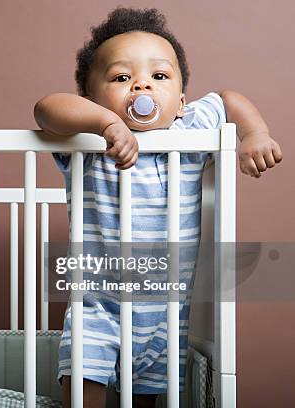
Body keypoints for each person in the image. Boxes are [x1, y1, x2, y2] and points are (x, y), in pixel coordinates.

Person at [33, 7, 282, 407]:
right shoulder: (93, 145)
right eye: (121, 77)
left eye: (159, 77)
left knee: (154, 393)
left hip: (167, 311)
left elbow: (229, 100)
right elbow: (46, 108)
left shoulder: (189, 133)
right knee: (82, 383)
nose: (141, 86)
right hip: (99, 306)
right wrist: (106, 125)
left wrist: (255, 134)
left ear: (182, 102)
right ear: (93, 100)